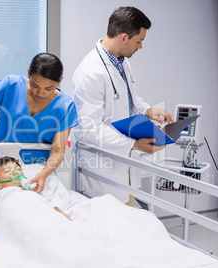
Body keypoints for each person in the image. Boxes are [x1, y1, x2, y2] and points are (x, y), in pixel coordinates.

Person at [71, 6, 174, 205]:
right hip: (102, 170)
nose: (141, 47)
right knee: (107, 229)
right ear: (124, 37)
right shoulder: (89, 72)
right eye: (139, 41)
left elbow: (128, 98)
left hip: (124, 166)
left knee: (127, 219)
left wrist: (148, 110)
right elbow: (89, 129)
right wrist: (133, 144)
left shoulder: (122, 61)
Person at [0, 53, 78, 193]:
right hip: (2, 168)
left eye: (49, 88)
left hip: (38, 170)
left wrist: (44, 174)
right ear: (28, 73)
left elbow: (57, 152)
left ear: (59, 81)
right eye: (35, 85)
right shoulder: (10, 85)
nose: (40, 93)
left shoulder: (66, 106)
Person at [0, 156, 71, 246]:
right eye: (8, 171)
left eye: (18, 169)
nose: (16, 173)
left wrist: (59, 214)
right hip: (17, 218)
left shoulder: (32, 192)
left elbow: (45, 207)